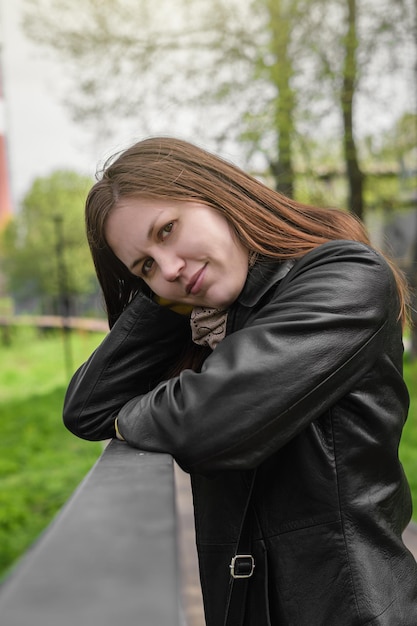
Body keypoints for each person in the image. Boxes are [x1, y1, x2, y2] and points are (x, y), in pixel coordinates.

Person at [63, 136, 417, 625]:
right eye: (144, 266)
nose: (167, 267)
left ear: (219, 195)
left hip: (348, 610)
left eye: (167, 230)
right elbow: (87, 408)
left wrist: (137, 411)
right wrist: (173, 295)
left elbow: (209, 423)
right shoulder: (210, 320)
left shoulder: (346, 279)